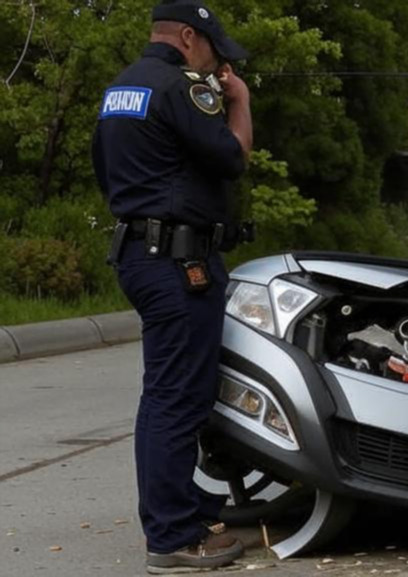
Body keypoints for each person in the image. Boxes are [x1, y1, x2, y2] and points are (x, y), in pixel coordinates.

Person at [91, 0, 253, 572]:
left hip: (140, 253)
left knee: (174, 391)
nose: (216, 66)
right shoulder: (180, 88)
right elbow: (232, 158)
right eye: (213, 52)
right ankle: (172, 535)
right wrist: (240, 101)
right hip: (176, 262)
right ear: (189, 37)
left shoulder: (120, 90)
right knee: (174, 398)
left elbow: (107, 172)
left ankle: (186, 505)